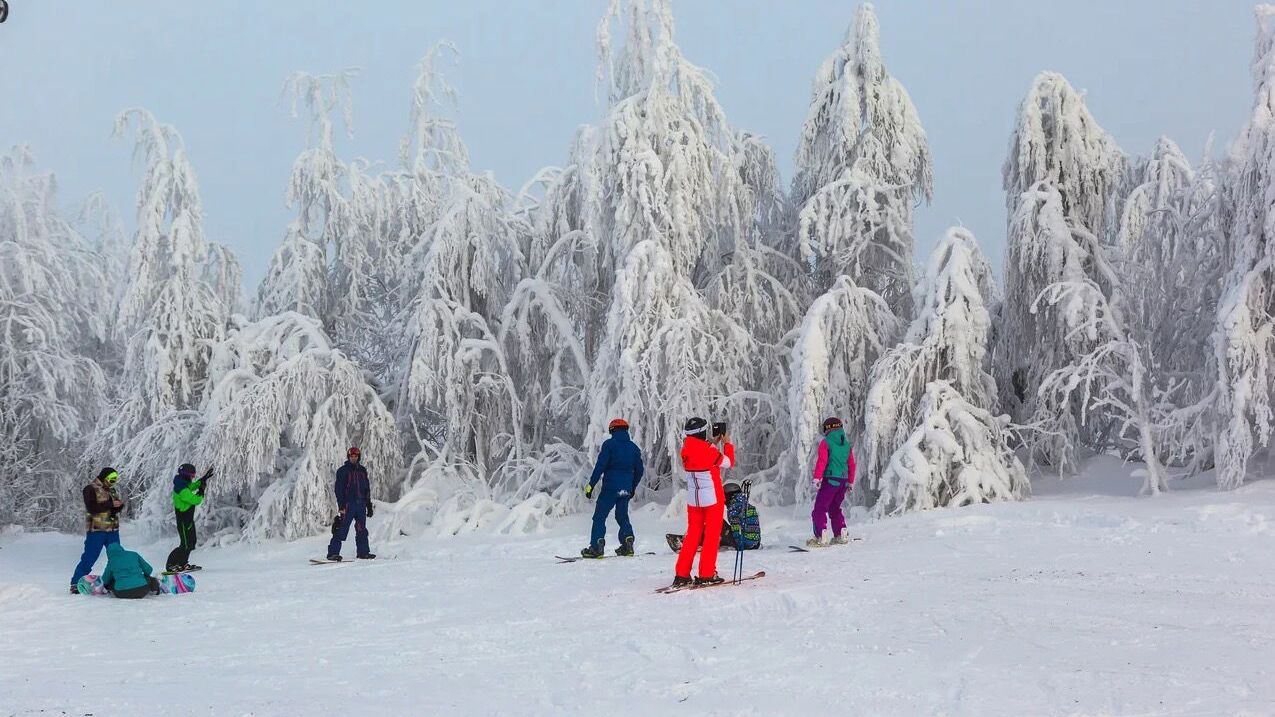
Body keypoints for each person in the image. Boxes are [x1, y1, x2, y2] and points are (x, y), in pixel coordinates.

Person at [671, 417, 735, 587]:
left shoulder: (685, 450)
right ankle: (707, 573)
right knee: (712, 536)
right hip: (712, 499)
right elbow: (728, 462)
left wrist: (713, 444)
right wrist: (727, 444)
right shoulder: (709, 450)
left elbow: (701, 453)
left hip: (694, 499)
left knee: (692, 535)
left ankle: (682, 574)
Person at [581, 418, 645, 558]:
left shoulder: (609, 445)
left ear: (612, 430)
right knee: (622, 516)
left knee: (599, 517)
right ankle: (627, 543)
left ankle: (597, 547)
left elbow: (600, 467)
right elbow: (640, 470)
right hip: (626, 489)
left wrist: (591, 485)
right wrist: (632, 487)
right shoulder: (634, 448)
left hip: (610, 488)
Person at [70, 467, 125, 595]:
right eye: (111, 479)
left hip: (112, 530)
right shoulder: (90, 489)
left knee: (117, 555)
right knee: (90, 556)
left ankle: (118, 580)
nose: (113, 482)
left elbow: (112, 509)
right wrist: (111, 505)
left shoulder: (111, 490)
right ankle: (75, 583)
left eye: (115, 480)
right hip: (97, 530)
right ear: (104, 477)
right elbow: (92, 508)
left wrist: (118, 506)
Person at [665, 480, 761, 552]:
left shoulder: (735, 506)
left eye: (724, 496)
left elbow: (736, 529)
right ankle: (697, 540)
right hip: (753, 543)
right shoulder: (743, 504)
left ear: (729, 495)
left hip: (744, 543)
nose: (723, 500)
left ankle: (693, 542)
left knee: (716, 521)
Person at [809, 416, 855, 547]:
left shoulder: (826, 443)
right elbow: (851, 464)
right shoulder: (846, 444)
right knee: (834, 508)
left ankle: (820, 536)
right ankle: (841, 533)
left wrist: (817, 478)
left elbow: (822, 461)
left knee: (820, 508)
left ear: (827, 429)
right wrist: (850, 481)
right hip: (843, 481)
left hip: (830, 480)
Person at [327, 446, 375, 561]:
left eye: (356, 456)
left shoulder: (362, 471)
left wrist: (368, 504)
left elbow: (366, 488)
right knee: (341, 528)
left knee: (361, 529)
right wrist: (341, 505)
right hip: (349, 504)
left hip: (361, 504)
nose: (354, 458)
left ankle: (363, 552)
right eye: (352, 456)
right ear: (348, 457)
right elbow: (339, 489)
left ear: (359, 457)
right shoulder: (343, 471)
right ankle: (333, 553)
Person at [166, 463, 213, 573]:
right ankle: (171, 564)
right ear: (185, 475)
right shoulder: (180, 489)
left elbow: (191, 487)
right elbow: (196, 500)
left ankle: (183, 563)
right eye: (191, 476)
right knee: (185, 544)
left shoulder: (182, 484)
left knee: (191, 542)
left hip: (188, 519)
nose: (192, 478)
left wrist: (202, 480)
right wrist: (201, 490)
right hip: (183, 520)